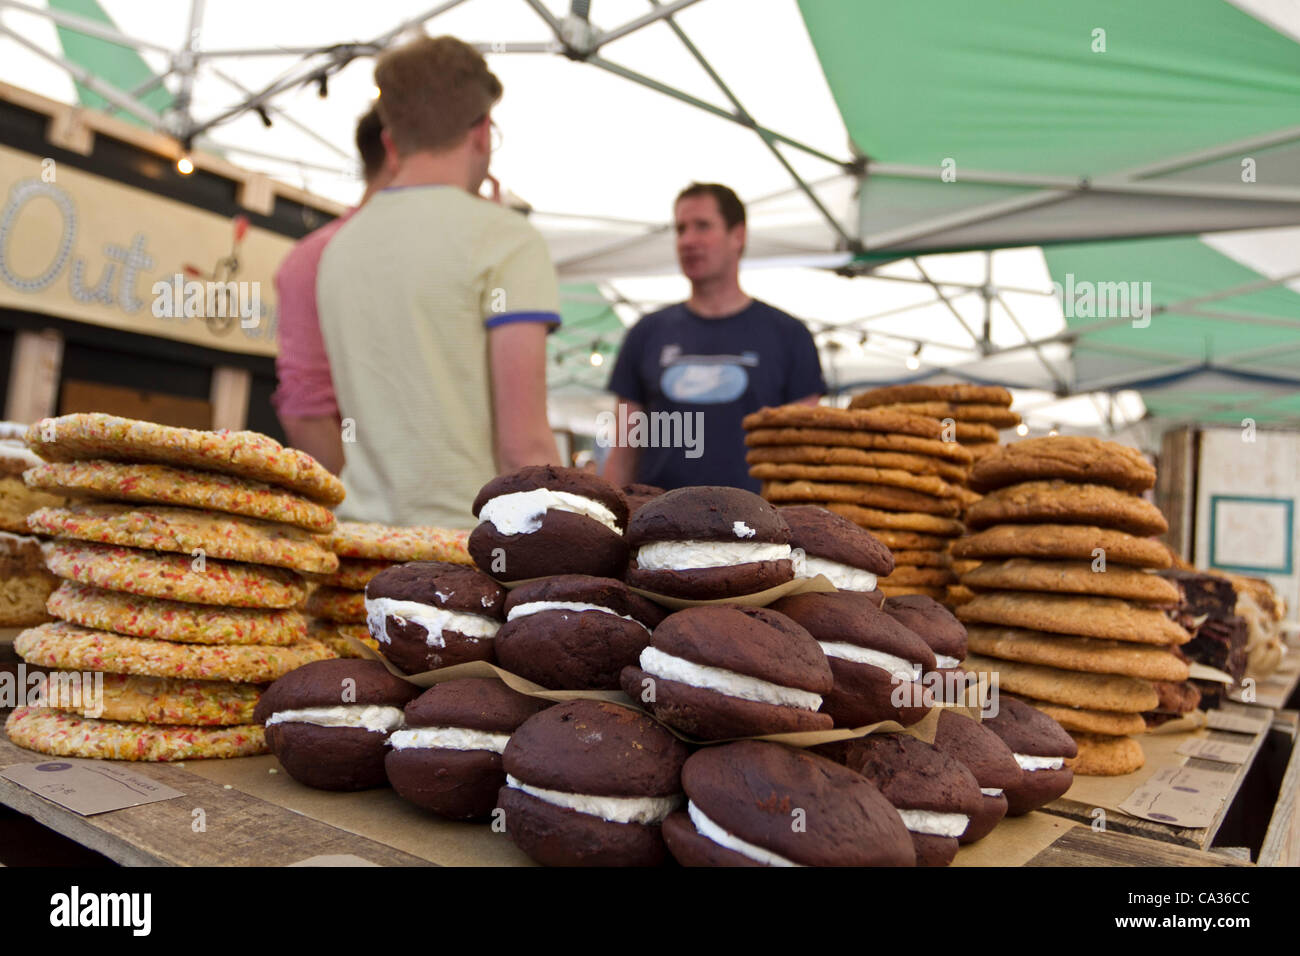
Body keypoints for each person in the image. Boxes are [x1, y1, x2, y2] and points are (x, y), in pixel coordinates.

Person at [317, 35, 562, 528]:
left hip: (357, 548)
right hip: (464, 559)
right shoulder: (506, 239)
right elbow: (524, 448)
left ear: (390, 141)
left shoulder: (340, 247)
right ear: (483, 133)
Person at [603, 183, 825, 492]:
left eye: (703, 226)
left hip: (759, 530)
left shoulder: (789, 336)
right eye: (680, 229)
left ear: (738, 235)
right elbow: (625, 449)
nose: (688, 241)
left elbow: (806, 455)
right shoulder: (645, 333)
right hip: (658, 525)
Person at [272, 107, 393, 474]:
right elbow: (307, 410)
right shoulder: (321, 256)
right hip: (382, 519)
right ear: (399, 152)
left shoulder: (315, 253)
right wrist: (355, 510)